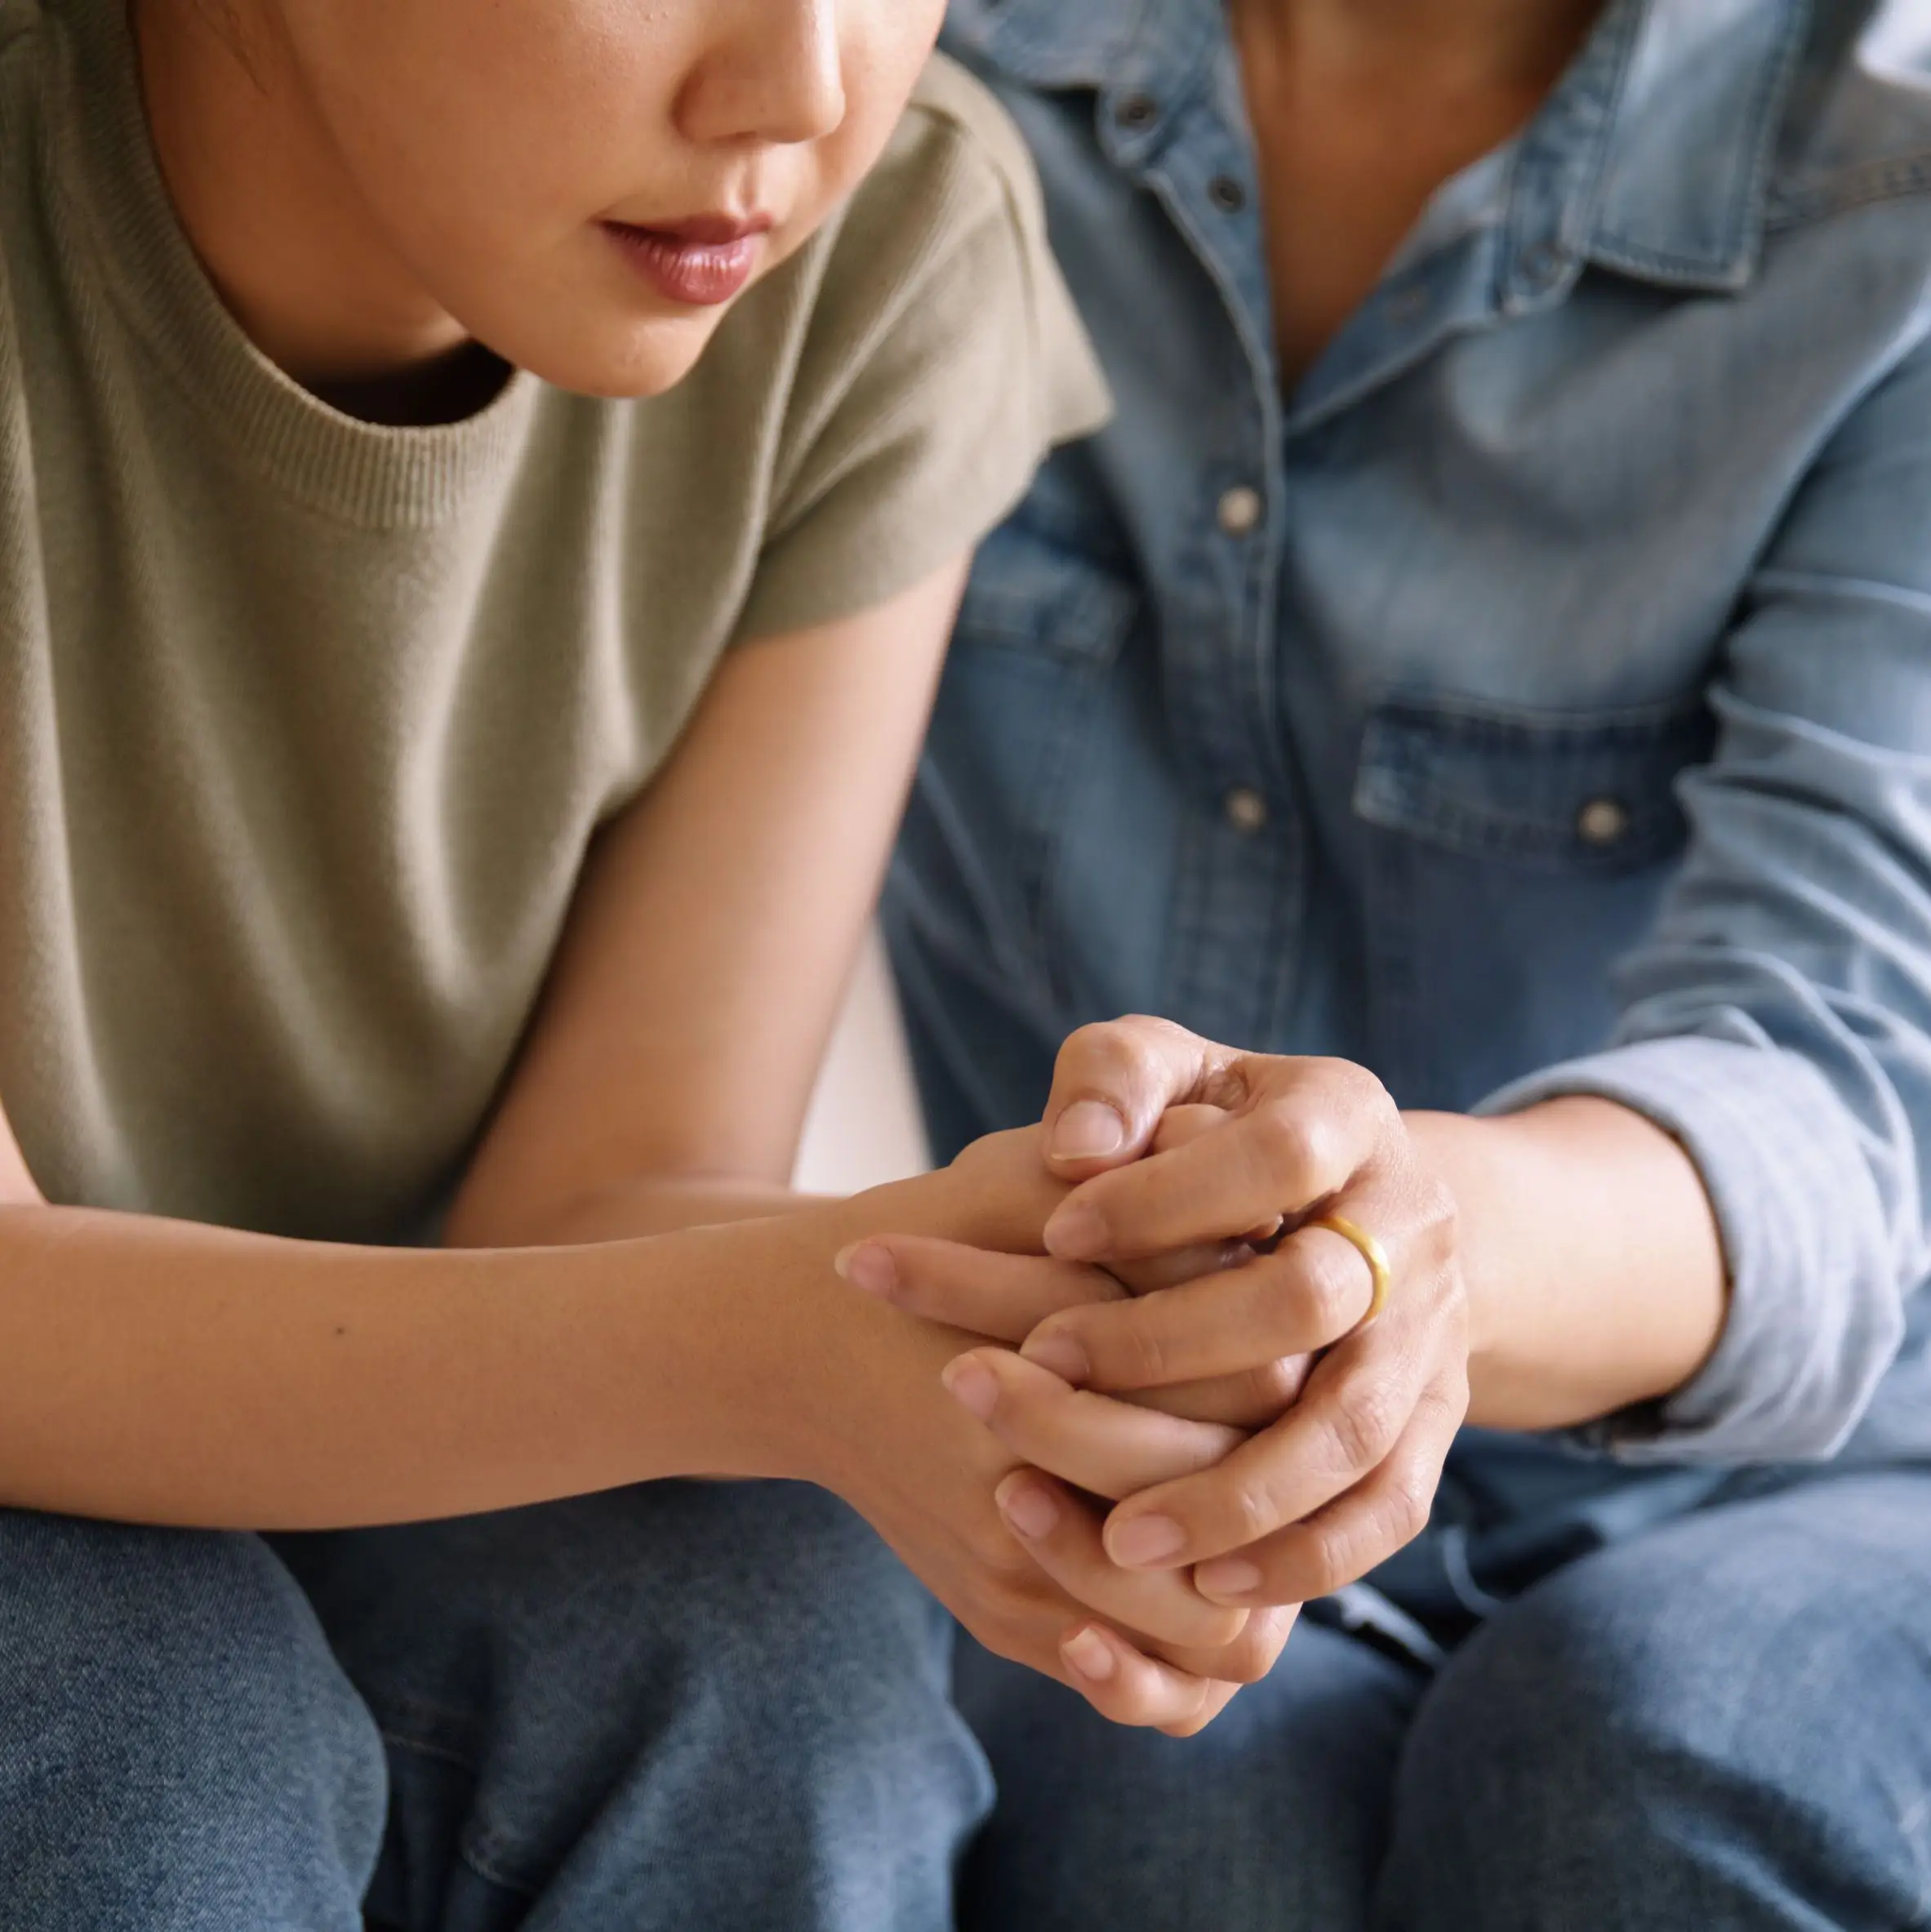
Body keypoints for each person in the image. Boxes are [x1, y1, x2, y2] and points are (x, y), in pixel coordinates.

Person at [0, 2, 1295, 1925]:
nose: (804, 87)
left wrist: (1022, 1288)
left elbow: (601, 1184)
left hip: (424, 1406)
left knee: (764, 1632)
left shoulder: (884, 241)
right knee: (157, 1733)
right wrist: (775, 1338)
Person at [863, 0, 1931, 1925]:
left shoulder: (1895, 187)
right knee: (1171, 1837)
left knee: (1647, 1758)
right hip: (1141, 1461)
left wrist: (1405, 1251)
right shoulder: (897, 75)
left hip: (1822, 1476)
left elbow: (1842, 1079)